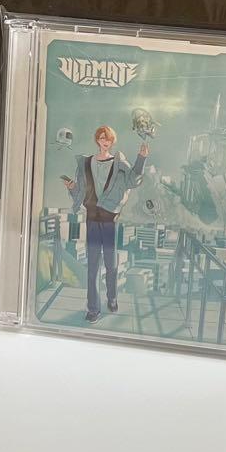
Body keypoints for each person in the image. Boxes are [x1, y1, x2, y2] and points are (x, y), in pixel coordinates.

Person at [62, 125, 148, 321]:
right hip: (92, 218)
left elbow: (133, 181)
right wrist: (72, 187)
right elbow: (79, 194)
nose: (105, 141)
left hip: (109, 219)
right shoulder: (85, 163)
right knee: (92, 266)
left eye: (108, 138)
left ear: (112, 141)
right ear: (97, 140)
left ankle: (112, 298)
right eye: (102, 137)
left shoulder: (119, 162)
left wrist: (141, 159)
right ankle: (93, 309)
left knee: (111, 263)